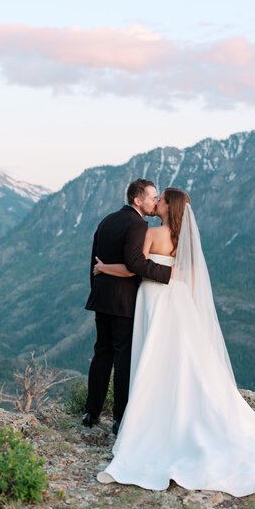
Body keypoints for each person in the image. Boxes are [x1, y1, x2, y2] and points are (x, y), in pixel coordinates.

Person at [92, 187, 255, 497]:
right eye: (154, 197)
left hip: (154, 300)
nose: (157, 202)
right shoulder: (184, 240)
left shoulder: (152, 233)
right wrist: (175, 278)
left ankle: (150, 422)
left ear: (168, 208)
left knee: (153, 361)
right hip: (178, 303)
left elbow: (135, 267)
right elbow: (189, 277)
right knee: (183, 360)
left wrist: (105, 268)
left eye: (161, 200)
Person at [83, 179, 173, 435]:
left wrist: (97, 288)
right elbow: (135, 263)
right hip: (124, 301)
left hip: (102, 298)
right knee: (123, 360)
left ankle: (91, 412)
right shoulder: (137, 225)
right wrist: (168, 273)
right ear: (137, 200)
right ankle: (120, 419)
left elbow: (94, 261)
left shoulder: (107, 220)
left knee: (101, 354)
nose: (156, 202)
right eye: (152, 197)